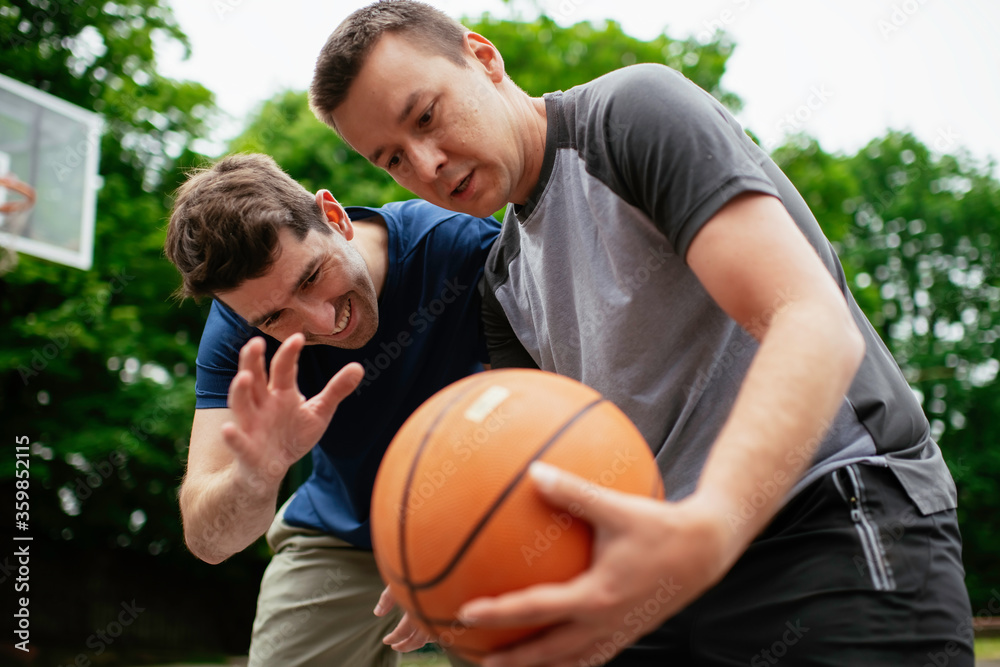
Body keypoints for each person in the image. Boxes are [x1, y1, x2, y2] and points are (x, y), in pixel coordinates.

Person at [308, 3, 973, 666]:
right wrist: (445, 551)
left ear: (484, 59)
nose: (426, 164)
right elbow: (539, 466)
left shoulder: (631, 115)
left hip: (826, 509)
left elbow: (809, 318)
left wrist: (711, 522)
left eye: (426, 116)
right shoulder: (500, 283)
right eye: (392, 158)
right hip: (668, 563)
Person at [164, 152, 499, 666]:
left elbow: (569, 404)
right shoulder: (239, 336)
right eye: (276, 316)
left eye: (310, 277)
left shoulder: (462, 245)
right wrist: (259, 474)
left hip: (489, 511)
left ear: (336, 218)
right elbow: (208, 540)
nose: (321, 321)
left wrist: (464, 550)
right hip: (343, 531)